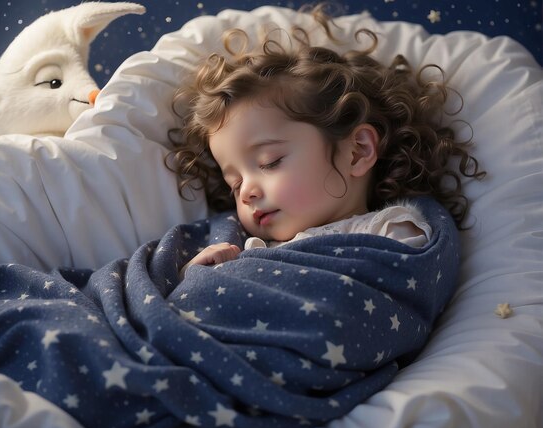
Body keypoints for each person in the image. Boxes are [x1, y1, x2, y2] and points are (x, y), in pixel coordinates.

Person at [167, 4, 484, 277]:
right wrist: (196, 273)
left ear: (357, 151)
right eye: (234, 184)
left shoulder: (391, 231)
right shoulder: (248, 246)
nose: (246, 192)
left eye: (270, 162)